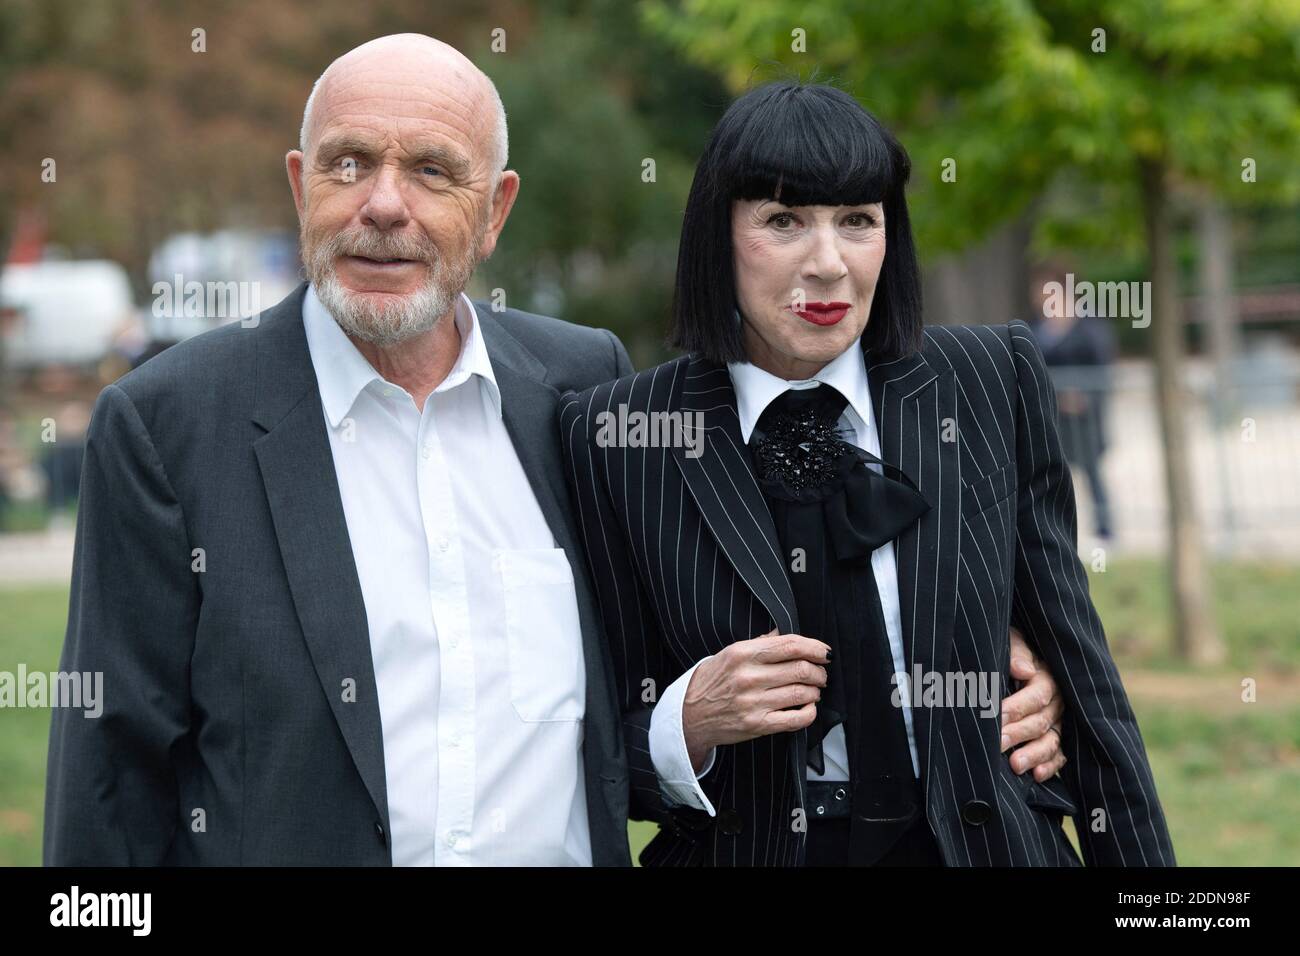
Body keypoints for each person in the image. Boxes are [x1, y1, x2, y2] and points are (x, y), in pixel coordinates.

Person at [44, 33, 636, 866]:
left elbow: (623, 718)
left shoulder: (584, 388)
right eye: (349, 163)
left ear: (495, 210)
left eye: (432, 170)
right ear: (300, 185)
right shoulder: (167, 425)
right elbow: (108, 795)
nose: (384, 205)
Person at [560, 80, 1174, 866]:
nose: (829, 264)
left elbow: (1087, 688)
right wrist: (688, 723)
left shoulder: (990, 380)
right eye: (783, 221)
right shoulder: (615, 434)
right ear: (718, 235)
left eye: (858, 221)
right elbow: (594, 750)